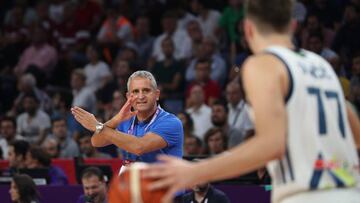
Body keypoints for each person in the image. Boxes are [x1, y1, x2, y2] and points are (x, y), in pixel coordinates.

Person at [145, 0, 360, 203]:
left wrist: (195, 171)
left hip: (307, 194)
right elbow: (354, 131)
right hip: (349, 192)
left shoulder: (264, 63)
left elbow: (271, 144)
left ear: (248, 29)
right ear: (293, 25)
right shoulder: (321, 65)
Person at [71, 70, 183, 165]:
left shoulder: (171, 122)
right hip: (136, 187)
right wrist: (116, 120)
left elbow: (139, 147)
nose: (141, 96)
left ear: (157, 94)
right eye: (135, 91)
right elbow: (96, 142)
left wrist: (97, 125)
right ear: (129, 96)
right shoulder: (125, 121)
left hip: (165, 189)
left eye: (146, 90)